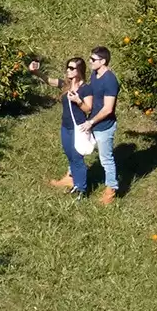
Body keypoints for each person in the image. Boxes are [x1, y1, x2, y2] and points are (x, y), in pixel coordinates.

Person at [29, 57, 93, 198]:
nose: (68, 71)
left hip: (78, 127)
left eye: (72, 68)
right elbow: (49, 80)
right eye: (67, 68)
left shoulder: (85, 89)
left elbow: (88, 109)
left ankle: (81, 189)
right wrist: (36, 72)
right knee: (70, 156)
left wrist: (78, 101)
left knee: (77, 157)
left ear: (79, 70)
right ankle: (75, 183)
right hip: (66, 126)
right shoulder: (66, 85)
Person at [78, 46, 120, 205]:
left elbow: (108, 109)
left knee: (105, 159)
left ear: (103, 61)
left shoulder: (110, 80)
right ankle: (72, 178)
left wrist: (91, 122)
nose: (90, 62)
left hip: (103, 126)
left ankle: (111, 189)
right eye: (90, 59)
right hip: (91, 121)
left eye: (93, 60)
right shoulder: (95, 74)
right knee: (79, 149)